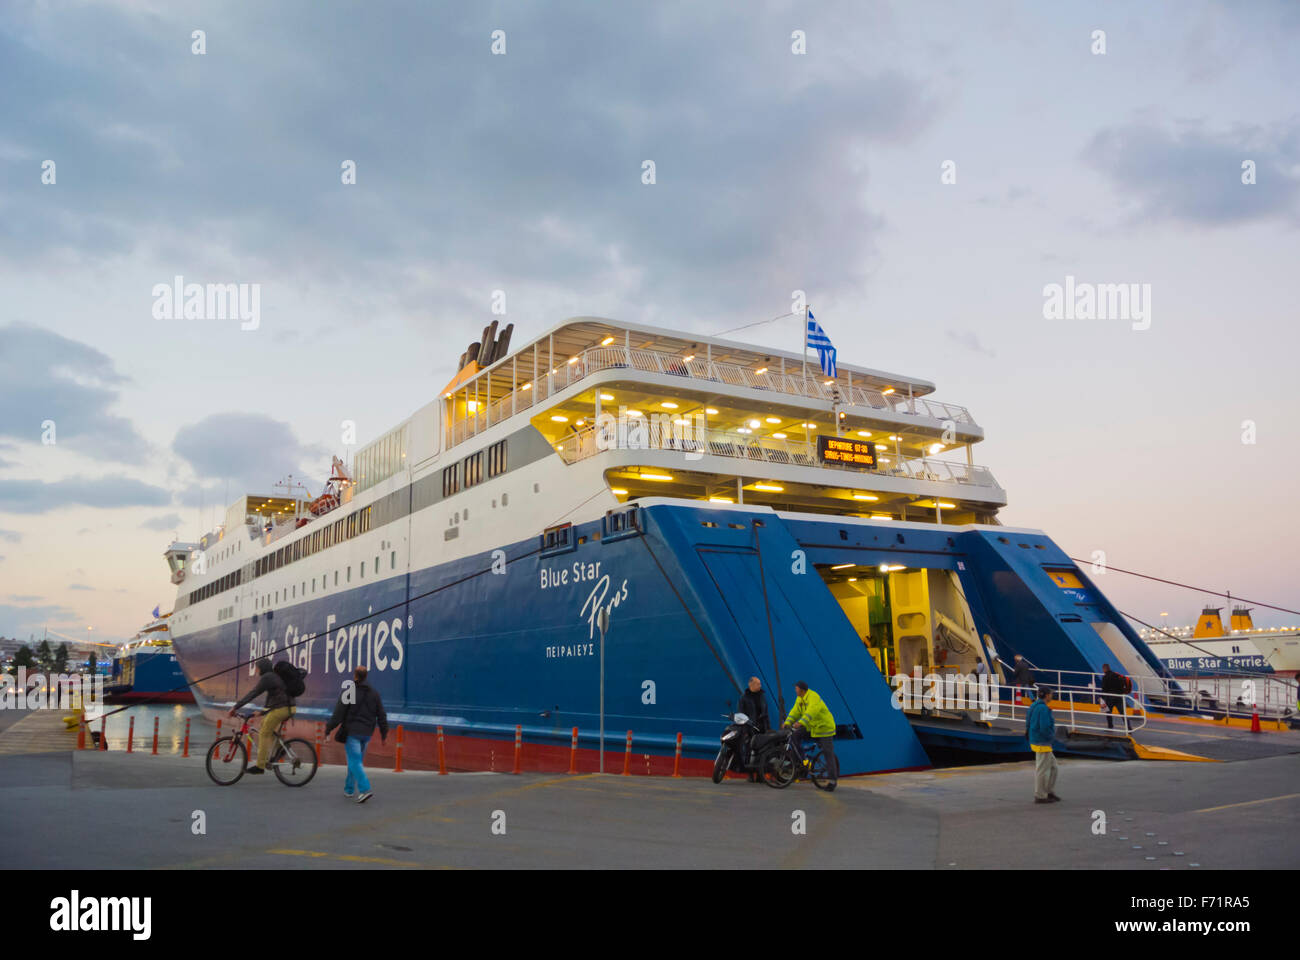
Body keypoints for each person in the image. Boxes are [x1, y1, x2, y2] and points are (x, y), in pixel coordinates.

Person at [324, 666, 388, 803]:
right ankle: (349, 789)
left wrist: (328, 729)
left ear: (355, 676)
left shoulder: (350, 692)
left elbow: (338, 714)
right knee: (356, 762)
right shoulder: (374, 693)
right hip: (367, 734)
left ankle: (365, 789)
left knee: (354, 762)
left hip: (353, 732)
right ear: (366, 676)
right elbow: (381, 715)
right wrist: (384, 733)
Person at [228, 658, 296, 775]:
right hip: (286, 707)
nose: (256, 670)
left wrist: (235, 707)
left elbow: (253, 693)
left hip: (282, 709)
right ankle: (282, 748)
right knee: (264, 724)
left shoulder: (267, 677)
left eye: (257, 668)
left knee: (264, 733)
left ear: (263, 668)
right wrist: (261, 712)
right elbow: (272, 698)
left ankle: (260, 766)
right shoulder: (272, 677)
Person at [783, 681, 837, 777]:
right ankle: (803, 762)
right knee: (795, 735)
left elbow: (812, 711)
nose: (795, 690)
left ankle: (832, 780)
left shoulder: (813, 697)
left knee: (827, 753)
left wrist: (801, 722)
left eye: (796, 688)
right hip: (812, 726)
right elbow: (795, 711)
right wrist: (787, 722)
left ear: (802, 690)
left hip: (824, 727)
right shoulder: (800, 698)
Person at [1027, 684, 1060, 803]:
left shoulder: (1034, 706)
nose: (1052, 695)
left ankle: (1048, 791)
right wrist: (1052, 737)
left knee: (1053, 767)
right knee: (1042, 770)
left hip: (1038, 740)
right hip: (1042, 742)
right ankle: (1040, 795)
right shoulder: (1043, 709)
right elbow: (1045, 727)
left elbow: (1028, 721)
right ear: (1046, 695)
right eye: (1050, 693)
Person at [737, 676, 771, 782]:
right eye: (758, 684)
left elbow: (765, 713)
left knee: (763, 752)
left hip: (762, 728)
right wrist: (744, 729)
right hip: (750, 729)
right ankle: (750, 774)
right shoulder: (744, 698)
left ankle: (761, 775)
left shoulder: (762, 696)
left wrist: (768, 728)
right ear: (751, 685)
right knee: (749, 751)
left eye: (760, 684)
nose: (760, 686)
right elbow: (741, 714)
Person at [1099, 663, 1128, 730]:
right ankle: (1128, 727)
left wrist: (1102, 698)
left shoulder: (1105, 677)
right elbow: (1123, 682)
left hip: (1110, 697)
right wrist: (1121, 692)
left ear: (1104, 669)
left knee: (1108, 712)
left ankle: (1110, 726)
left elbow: (1104, 689)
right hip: (1118, 696)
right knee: (1122, 713)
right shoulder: (1116, 675)